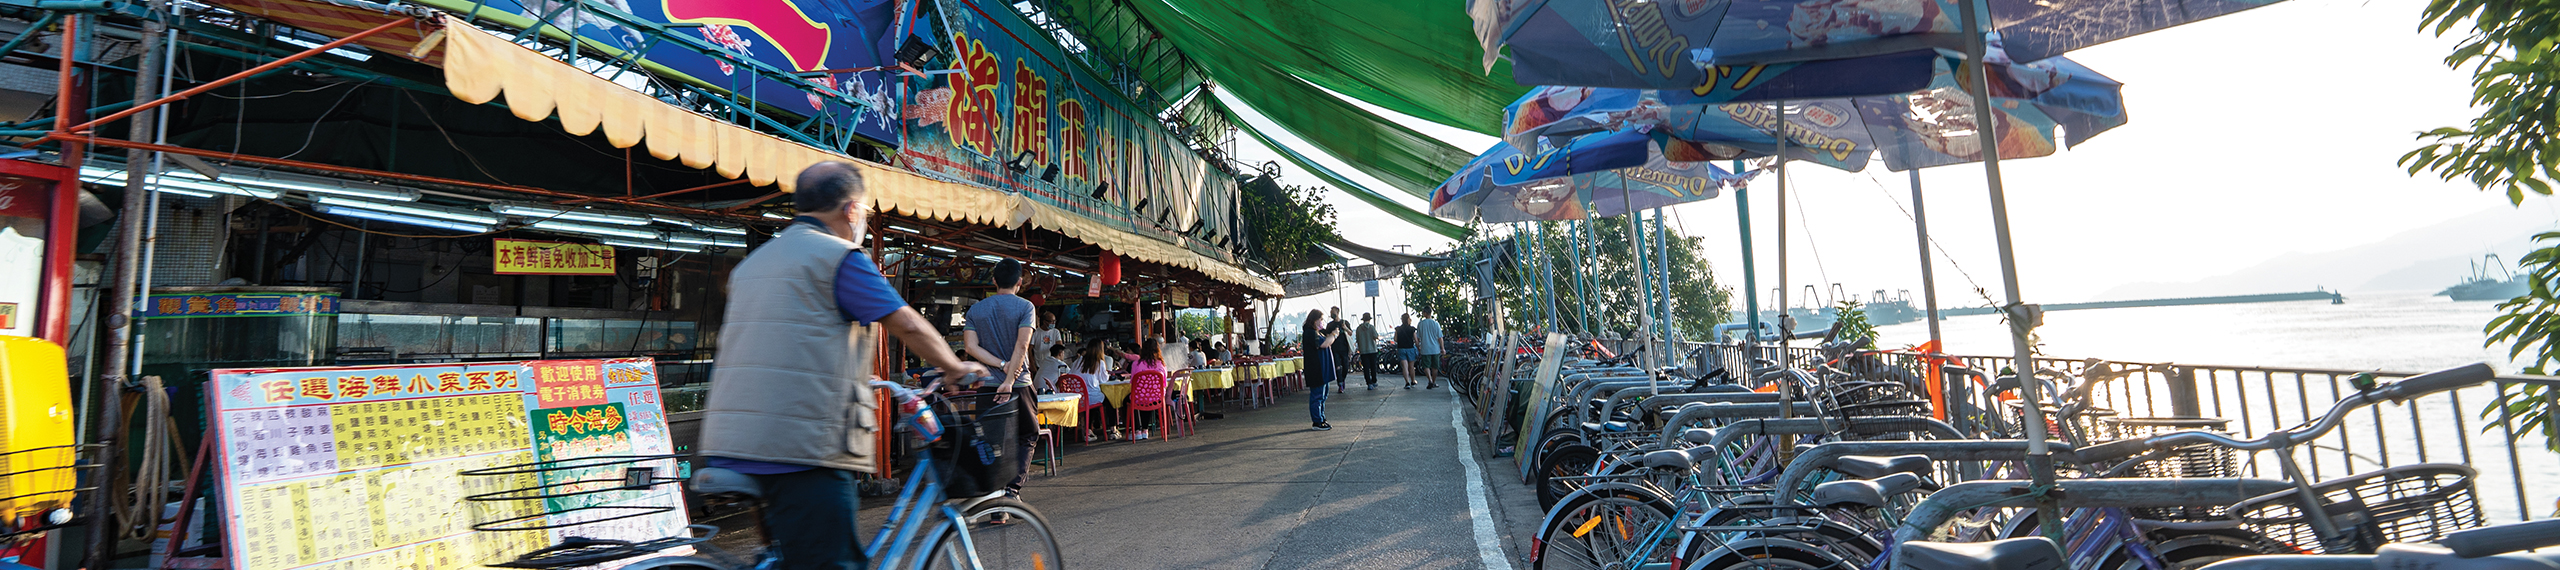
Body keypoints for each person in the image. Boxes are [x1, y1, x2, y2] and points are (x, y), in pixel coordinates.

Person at [700, 162, 990, 570]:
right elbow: (906, 323)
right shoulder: (839, 257)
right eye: (865, 212)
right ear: (852, 210)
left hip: (729, 441)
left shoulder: (753, 263)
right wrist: (954, 367)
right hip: (801, 448)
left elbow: (785, 341)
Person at [962, 258, 1039, 493]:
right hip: (1019, 385)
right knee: (1027, 434)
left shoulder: (976, 310)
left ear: (994, 281)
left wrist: (1001, 365)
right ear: (1020, 282)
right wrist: (1009, 380)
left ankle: (992, 491)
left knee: (990, 441)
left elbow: (970, 347)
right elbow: (1022, 345)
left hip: (986, 385)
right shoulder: (1026, 307)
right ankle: (1012, 490)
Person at [1101, 337, 1172, 439]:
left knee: (1127, 400)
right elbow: (1164, 383)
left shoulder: (1137, 364)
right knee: (1148, 399)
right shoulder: (1161, 364)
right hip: (1157, 397)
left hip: (1139, 396)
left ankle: (1136, 430)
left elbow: (1133, 381)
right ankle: (1145, 429)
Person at [1301, 309, 1339, 431]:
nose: (1322, 322)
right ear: (1314, 320)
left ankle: (1321, 418)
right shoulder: (1310, 333)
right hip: (1316, 370)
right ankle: (1317, 421)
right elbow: (1324, 344)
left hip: (1322, 369)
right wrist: (1334, 335)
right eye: (1320, 319)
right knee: (1317, 396)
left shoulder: (1316, 333)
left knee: (1323, 396)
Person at [1416, 310, 1446, 390]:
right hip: (1435, 349)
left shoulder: (1421, 324)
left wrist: (1418, 347)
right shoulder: (1435, 324)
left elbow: (1418, 337)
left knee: (1426, 366)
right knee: (1435, 367)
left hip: (1425, 348)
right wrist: (1442, 348)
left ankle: (1430, 380)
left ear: (1425, 313)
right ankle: (1433, 381)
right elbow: (1440, 338)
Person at [1326, 308, 1351, 394]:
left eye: (1333, 313)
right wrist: (1332, 334)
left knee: (1346, 366)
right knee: (1337, 367)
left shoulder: (1344, 322)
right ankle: (1340, 384)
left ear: (1337, 312)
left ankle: (1342, 379)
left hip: (1344, 348)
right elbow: (1327, 335)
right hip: (1334, 348)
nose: (1332, 314)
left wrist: (1345, 328)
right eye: (1331, 313)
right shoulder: (1330, 325)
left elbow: (1350, 333)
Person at [1354, 313, 1380, 389]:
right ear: (1369, 319)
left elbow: (1357, 339)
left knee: (1366, 368)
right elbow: (1376, 336)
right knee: (1373, 366)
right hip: (1372, 350)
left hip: (1363, 350)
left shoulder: (1358, 328)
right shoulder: (1371, 327)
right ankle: (1374, 381)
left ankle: (1369, 383)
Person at [1394, 314, 1419, 388]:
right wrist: (1418, 347)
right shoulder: (1412, 329)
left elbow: (1395, 339)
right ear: (1408, 319)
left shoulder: (1398, 329)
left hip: (1401, 348)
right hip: (1410, 348)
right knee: (1411, 366)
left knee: (1404, 366)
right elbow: (1416, 340)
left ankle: (1407, 383)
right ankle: (1413, 381)